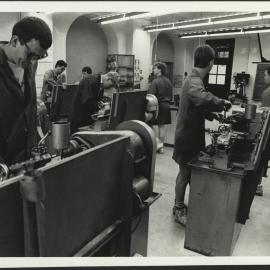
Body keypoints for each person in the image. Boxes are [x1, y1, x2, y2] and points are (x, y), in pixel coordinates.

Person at [172, 44, 232, 226]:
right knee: (184, 173)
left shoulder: (194, 78)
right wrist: (222, 103)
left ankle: (184, 204)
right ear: (211, 62)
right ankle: (179, 208)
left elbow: (196, 106)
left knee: (189, 172)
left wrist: (211, 115)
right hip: (186, 137)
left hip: (191, 135)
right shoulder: (194, 80)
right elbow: (202, 97)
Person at [0, 16, 52, 165]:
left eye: (39, 57)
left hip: (26, 159)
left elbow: (28, 107)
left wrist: (35, 144)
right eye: (31, 55)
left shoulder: (29, 64)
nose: (34, 62)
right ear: (14, 41)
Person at [149, 62, 173, 153]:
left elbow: (151, 95)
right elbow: (171, 95)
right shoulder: (168, 81)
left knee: (152, 125)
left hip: (158, 106)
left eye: (154, 68)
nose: (153, 70)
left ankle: (156, 145)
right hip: (167, 105)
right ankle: (161, 147)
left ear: (159, 69)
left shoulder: (155, 81)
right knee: (162, 126)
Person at [256, 67, 270, 196]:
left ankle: (257, 185)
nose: (264, 78)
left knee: (261, 158)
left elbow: (264, 116)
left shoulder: (267, 92)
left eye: (266, 75)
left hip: (268, 134)